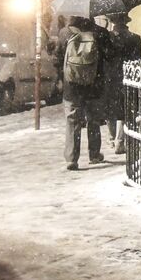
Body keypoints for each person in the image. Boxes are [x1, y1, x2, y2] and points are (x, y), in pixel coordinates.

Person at [55, 15, 111, 170]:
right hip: (94, 84)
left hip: (71, 86)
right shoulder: (100, 33)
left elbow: (57, 58)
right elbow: (109, 56)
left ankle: (72, 158)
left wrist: (62, 76)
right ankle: (94, 154)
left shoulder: (65, 33)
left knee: (72, 120)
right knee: (93, 119)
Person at [98, 14, 141, 145]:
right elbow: (137, 60)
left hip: (110, 76)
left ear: (112, 22)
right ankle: (120, 139)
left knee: (110, 107)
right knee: (125, 107)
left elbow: (103, 57)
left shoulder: (106, 38)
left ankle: (111, 137)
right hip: (127, 75)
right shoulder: (135, 38)